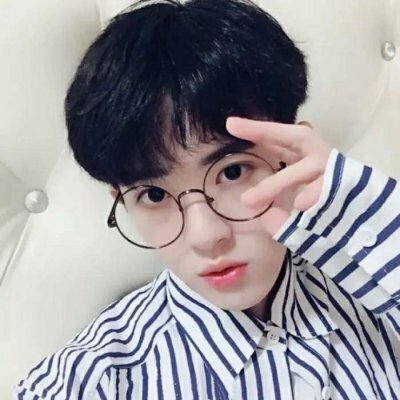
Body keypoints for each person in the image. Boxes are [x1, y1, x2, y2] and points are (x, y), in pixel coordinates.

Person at [13, 0, 400, 399]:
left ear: (291, 155)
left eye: (232, 171)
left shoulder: (376, 284)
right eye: (154, 195)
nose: (206, 236)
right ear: (122, 201)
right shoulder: (96, 381)